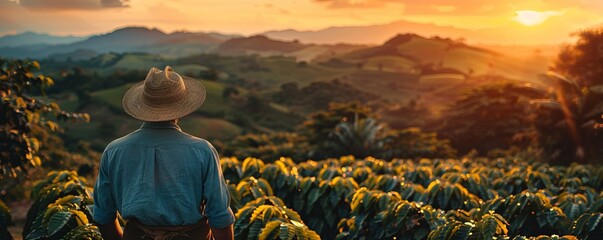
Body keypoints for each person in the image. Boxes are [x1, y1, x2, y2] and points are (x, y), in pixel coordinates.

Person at [93, 66, 235, 240]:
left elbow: (103, 217)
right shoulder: (202, 151)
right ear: (182, 105)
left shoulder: (114, 151)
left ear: (143, 105)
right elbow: (219, 217)